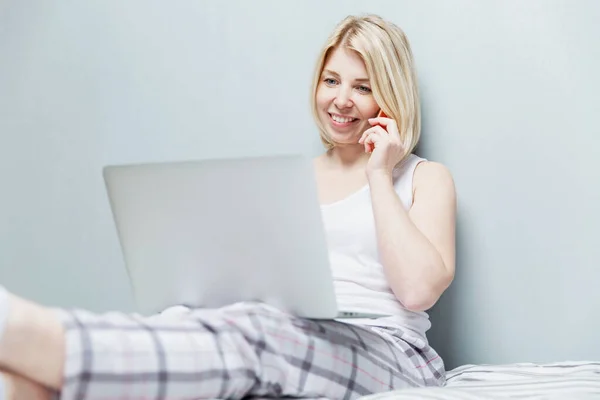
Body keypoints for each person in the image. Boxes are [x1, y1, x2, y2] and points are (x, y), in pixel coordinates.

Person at [0, 13, 456, 400]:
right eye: (331, 80)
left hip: (390, 353)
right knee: (187, 319)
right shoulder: (292, 178)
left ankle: (32, 334)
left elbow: (417, 291)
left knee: (260, 332)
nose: (340, 99)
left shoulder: (424, 177)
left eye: (362, 87)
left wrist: (379, 172)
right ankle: (37, 382)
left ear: (390, 97)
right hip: (299, 332)